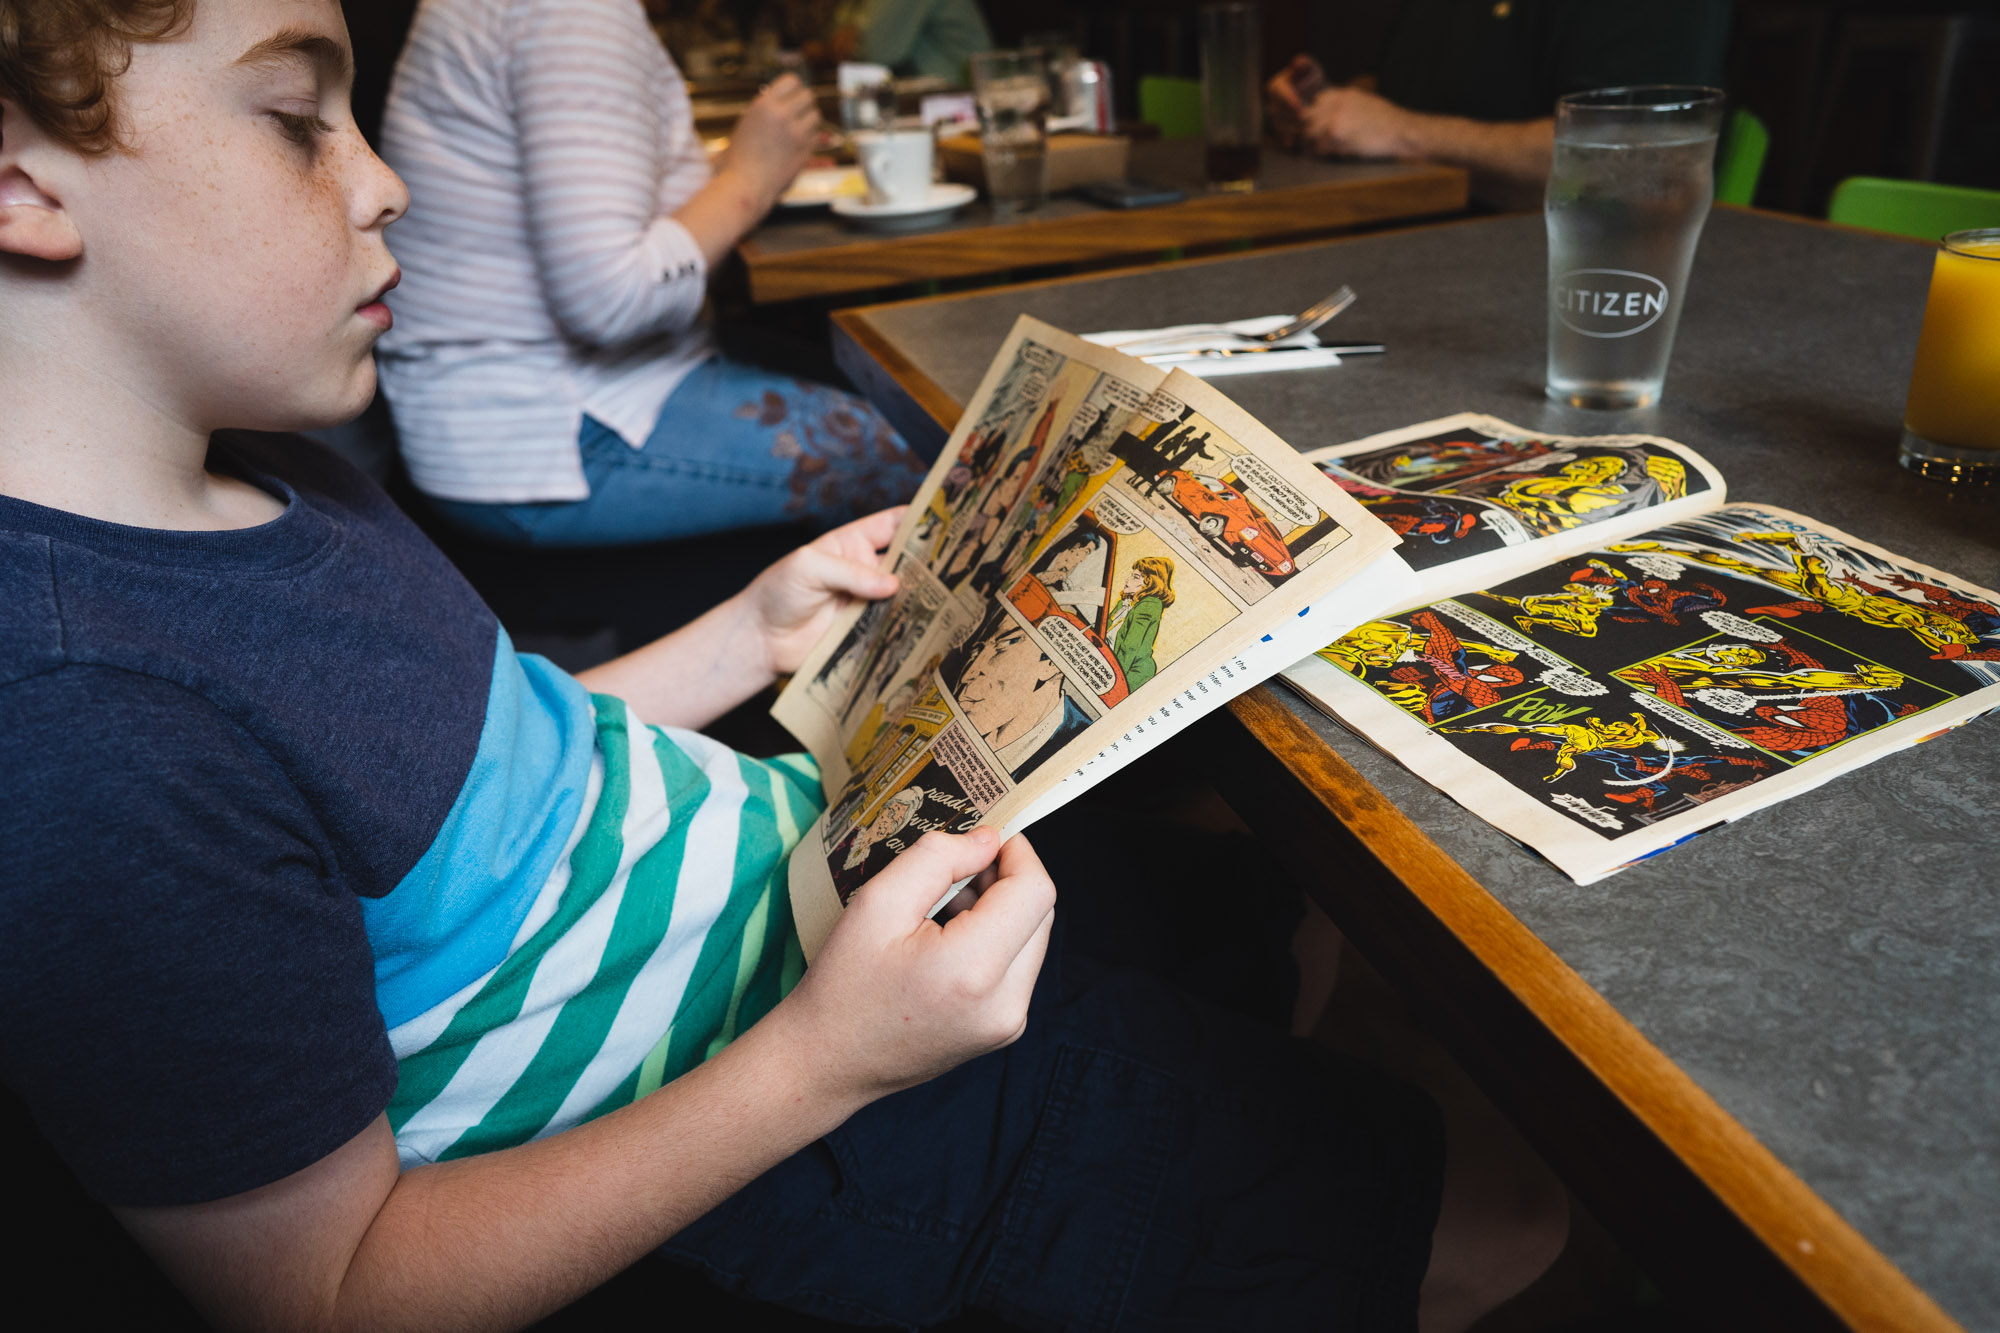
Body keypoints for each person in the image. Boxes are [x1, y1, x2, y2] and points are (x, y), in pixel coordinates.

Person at [0, 4, 1567, 1329]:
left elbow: (462, 782)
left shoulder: (274, 470)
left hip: (790, 894)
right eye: (295, 118)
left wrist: (746, 630)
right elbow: (328, 1288)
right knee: (1502, 1211)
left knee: (1250, 915)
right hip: (761, 1118)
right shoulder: (88, 725)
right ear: (17, 178)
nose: (390, 181)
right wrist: (823, 1066)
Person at [374, 0, 928, 546]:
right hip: (548, 438)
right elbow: (610, 299)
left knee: (862, 376)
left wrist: (740, 166)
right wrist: (749, 177)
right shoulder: (573, 12)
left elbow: (588, 199)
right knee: (926, 449)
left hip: (482, 419)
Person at [1268, 0, 1733, 210]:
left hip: (1555, 294)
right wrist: (1334, 108)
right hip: (1404, 253)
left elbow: (1633, 163)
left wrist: (1399, 130)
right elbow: (1438, 92)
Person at [822, 0, 994, 83]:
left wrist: (851, 40)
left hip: (962, 94)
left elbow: (876, 51)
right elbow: (836, 33)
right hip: (929, 93)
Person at [1109, 556, 1174, 692]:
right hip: (1109, 662)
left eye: (1136, 577)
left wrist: (1113, 680)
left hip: (1132, 673)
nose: (1128, 580)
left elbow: (1130, 648)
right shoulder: (1125, 602)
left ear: (1150, 583)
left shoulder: (1149, 606)